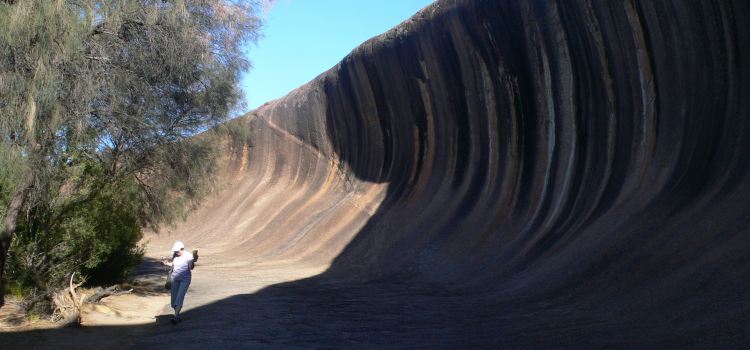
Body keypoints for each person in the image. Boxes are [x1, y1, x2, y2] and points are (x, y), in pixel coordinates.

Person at [162, 241, 195, 324]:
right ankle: (177, 315)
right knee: (173, 301)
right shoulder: (175, 256)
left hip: (185, 279)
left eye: (177, 251)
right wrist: (166, 263)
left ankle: (176, 317)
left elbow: (191, 267)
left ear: (182, 249)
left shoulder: (188, 256)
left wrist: (192, 261)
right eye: (175, 251)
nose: (176, 252)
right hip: (175, 278)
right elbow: (174, 265)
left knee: (179, 297)